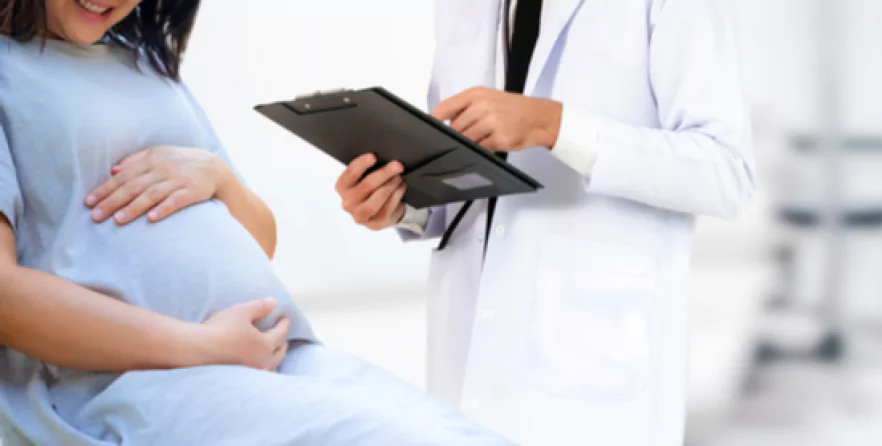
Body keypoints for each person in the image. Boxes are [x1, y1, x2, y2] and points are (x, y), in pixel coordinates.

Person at [0, 1, 513, 445]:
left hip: (275, 358)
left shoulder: (143, 64)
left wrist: (216, 177)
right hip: (132, 382)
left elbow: (259, 241)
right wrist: (199, 346)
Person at [335, 0, 756, 444]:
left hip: (592, 369)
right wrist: (402, 203)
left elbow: (726, 173)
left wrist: (553, 124)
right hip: (468, 356)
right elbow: (467, 181)